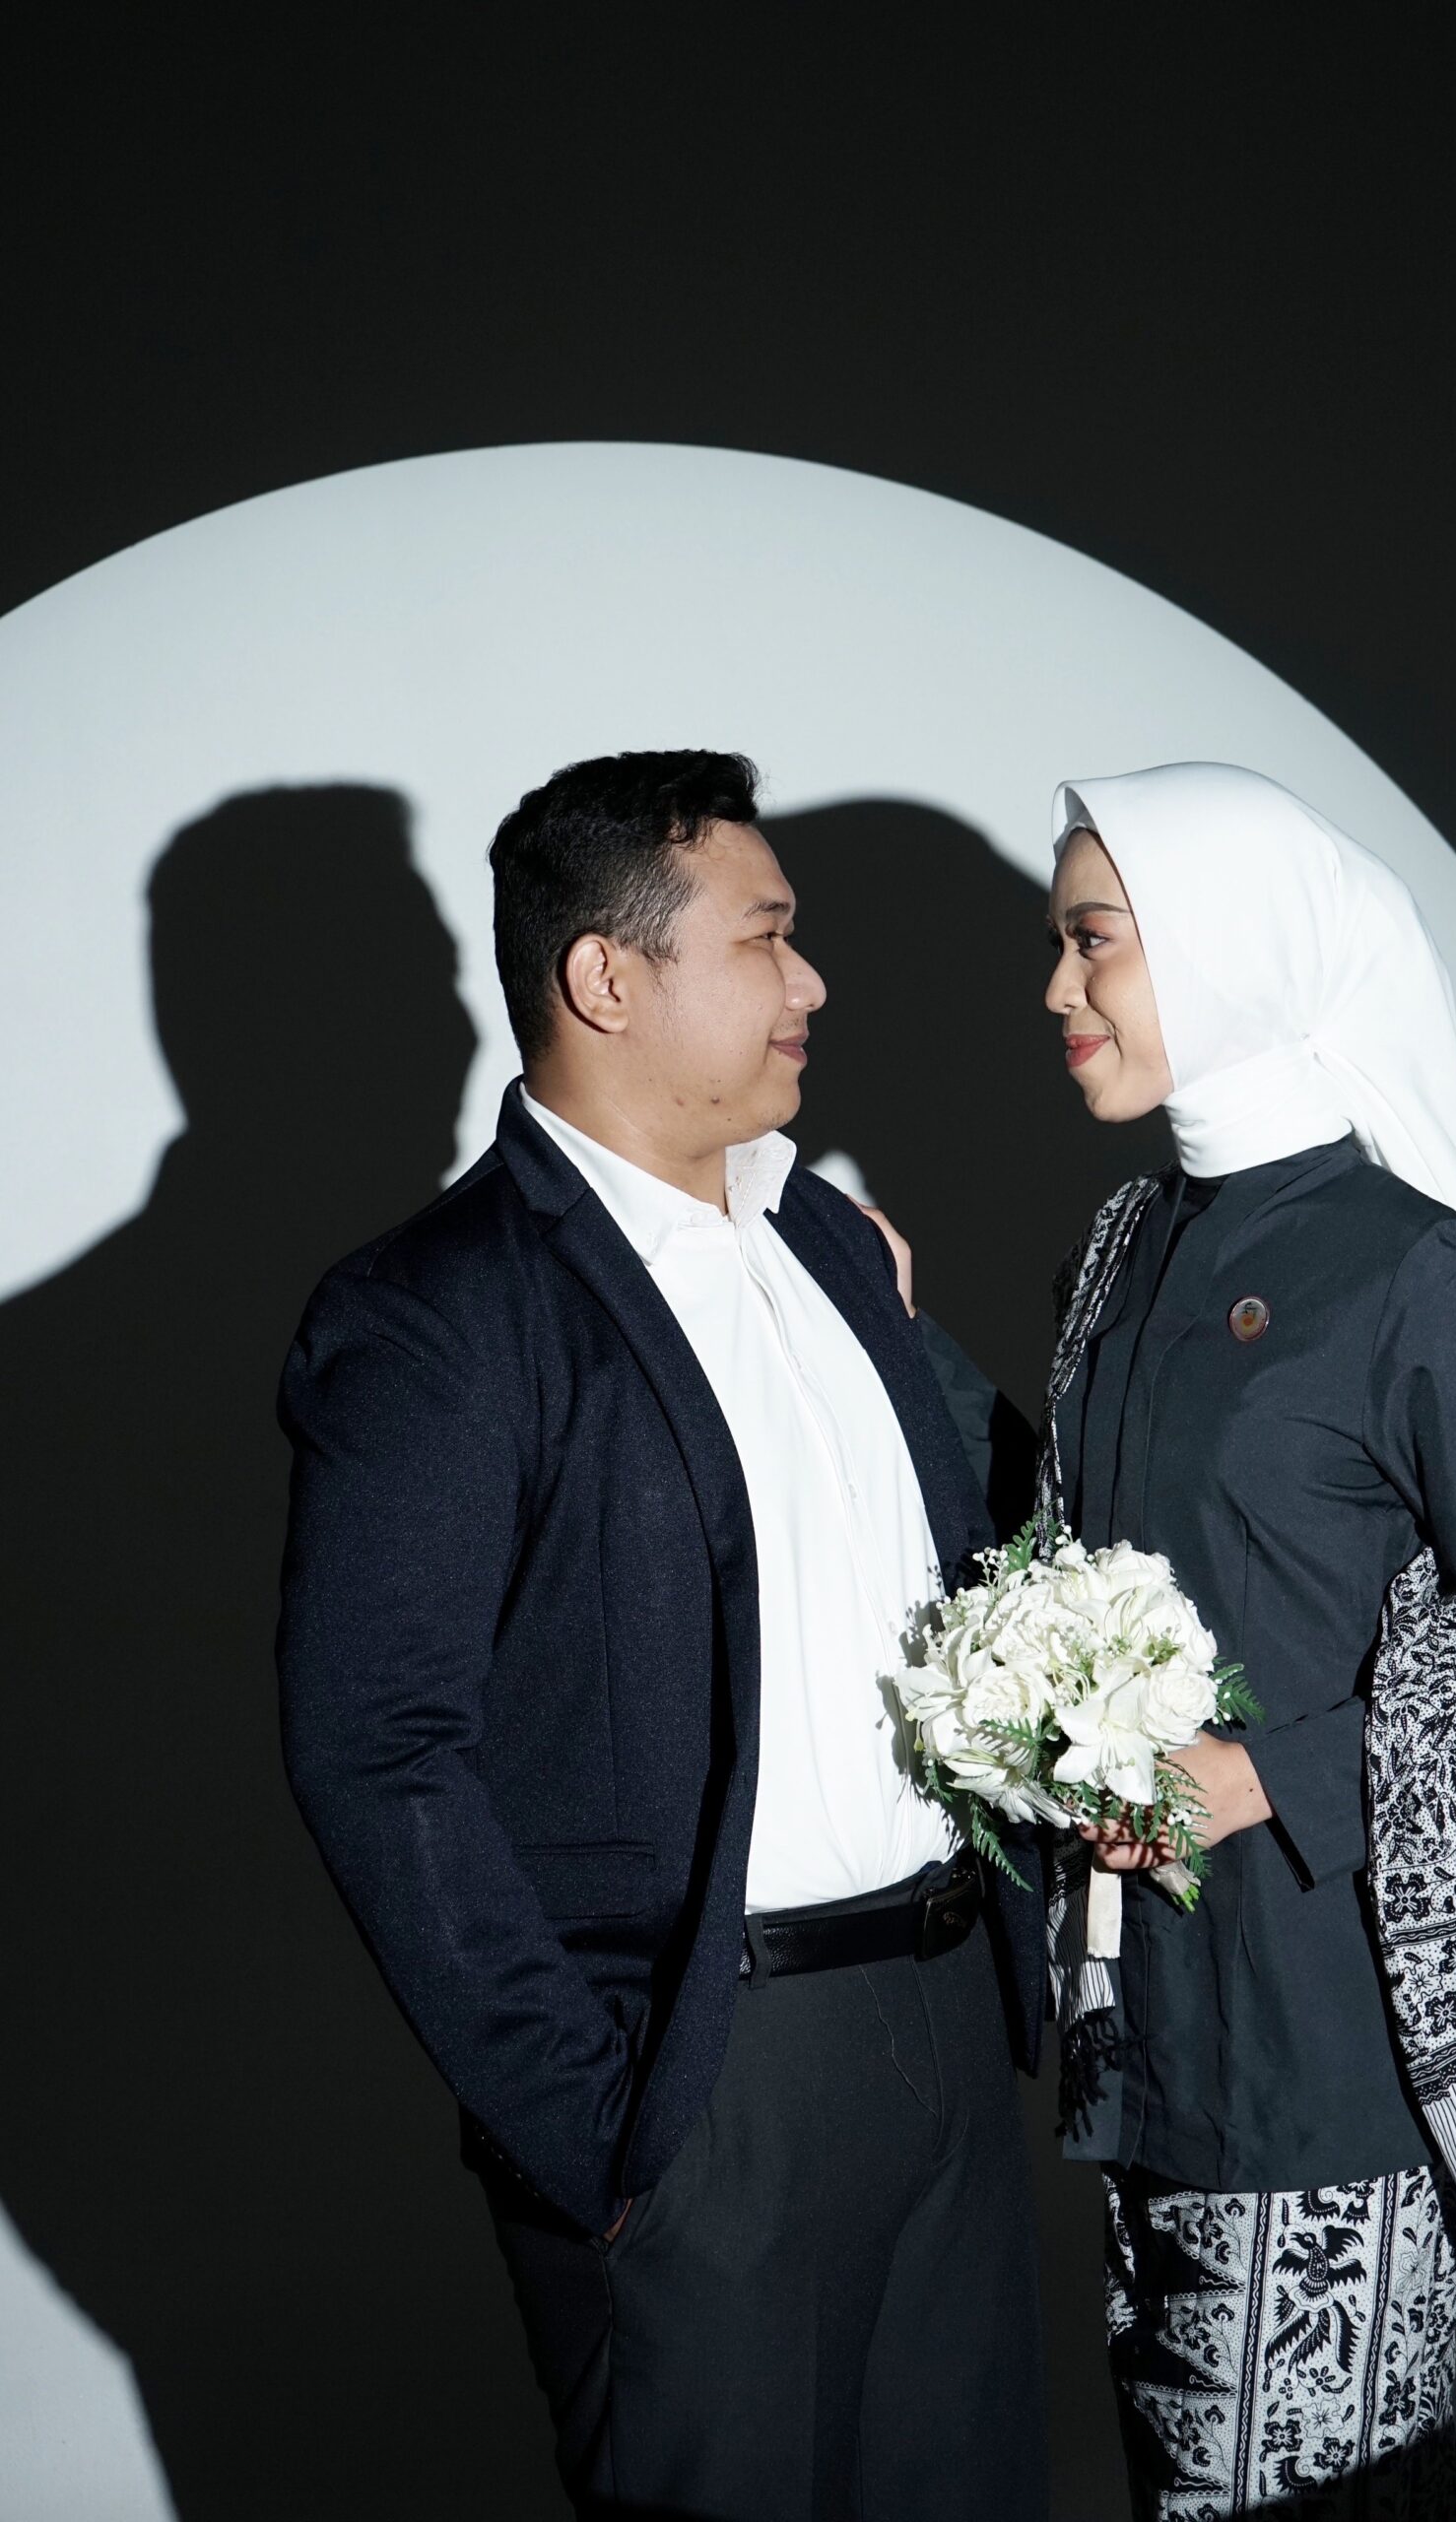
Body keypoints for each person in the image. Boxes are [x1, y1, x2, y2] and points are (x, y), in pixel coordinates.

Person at [277, 751, 1048, 2521]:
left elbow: (1007, 1535)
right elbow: (376, 1749)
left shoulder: (833, 1241)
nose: (811, 981)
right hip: (702, 2085)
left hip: (948, 2033)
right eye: (766, 936)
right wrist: (602, 2130)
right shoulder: (436, 1314)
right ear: (606, 978)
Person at [1039, 762, 1456, 2519]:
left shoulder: (1405, 1269)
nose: (1058, 988)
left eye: (1094, 941)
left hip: (1326, 2033)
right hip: (1146, 2026)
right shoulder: (1127, 1246)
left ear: (1227, 948)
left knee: (1326, 2500)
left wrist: (1263, 1777)